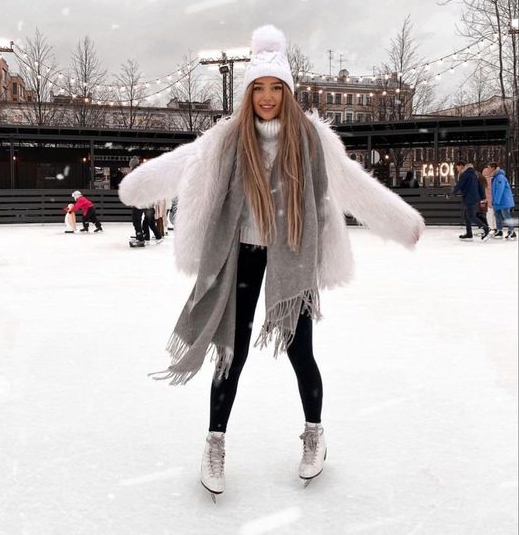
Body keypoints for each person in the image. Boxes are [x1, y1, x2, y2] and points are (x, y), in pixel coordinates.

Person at [119, 25, 424, 499]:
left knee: (301, 351)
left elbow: (352, 183)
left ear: (287, 91)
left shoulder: (312, 139)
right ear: (248, 93)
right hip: (238, 253)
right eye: (257, 88)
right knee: (231, 352)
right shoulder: (226, 138)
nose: (265, 97)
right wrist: (137, 187)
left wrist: (402, 221)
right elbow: (184, 162)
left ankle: (315, 435)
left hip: (293, 255)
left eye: (274, 88)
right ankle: (214, 443)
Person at [450, 161, 490, 241]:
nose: (457, 169)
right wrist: (482, 196)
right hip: (474, 198)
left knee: (470, 216)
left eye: (457, 167)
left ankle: (485, 228)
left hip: (469, 198)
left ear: (461, 166)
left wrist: (451, 193)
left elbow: (459, 185)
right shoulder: (475, 174)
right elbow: (480, 185)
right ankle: (469, 233)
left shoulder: (464, 175)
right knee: (467, 215)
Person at [484, 162, 516, 240]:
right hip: (498, 201)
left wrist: (496, 201)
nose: (487, 169)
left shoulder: (500, 177)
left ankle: (512, 232)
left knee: (506, 216)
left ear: (493, 168)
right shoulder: (495, 177)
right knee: (498, 216)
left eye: (488, 168)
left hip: (504, 201)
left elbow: (499, 190)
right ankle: (499, 231)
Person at [481, 165, 496, 231]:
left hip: (487, 200)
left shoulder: (484, 181)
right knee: (494, 215)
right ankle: (494, 227)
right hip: (493, 200)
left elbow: (484, 192)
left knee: (488, 215)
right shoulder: (493, 180)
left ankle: (490, 227)